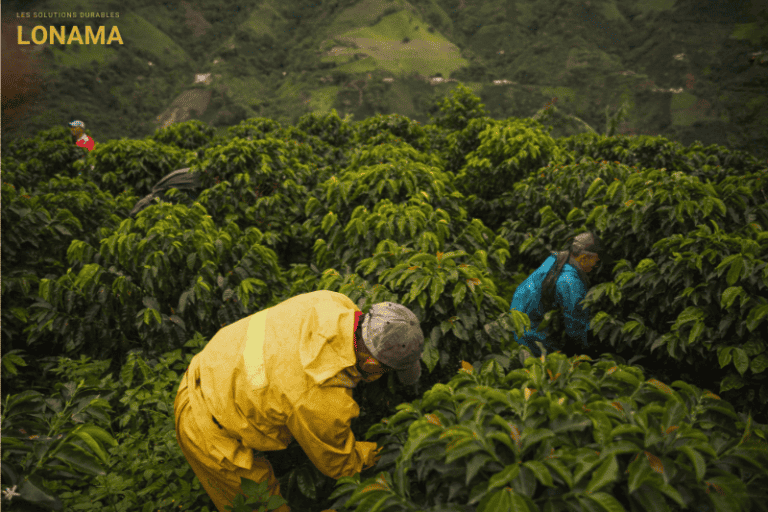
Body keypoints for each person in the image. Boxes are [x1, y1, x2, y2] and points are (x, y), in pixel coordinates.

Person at [174, 291, 425, 512]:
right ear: (371, 363)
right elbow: (339, 462)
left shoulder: (333, 302)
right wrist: (387, 452)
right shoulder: (321, 399)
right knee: (261, 505)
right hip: (205, 426)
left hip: (211, 365)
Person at [510, 232, 604, 362]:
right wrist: (586, 351)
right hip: (534, 338)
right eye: (596, 261)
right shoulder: (570, 281)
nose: (595, 266)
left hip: (518, 327)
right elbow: (575, 325)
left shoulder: (555, 261)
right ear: (585, 257)